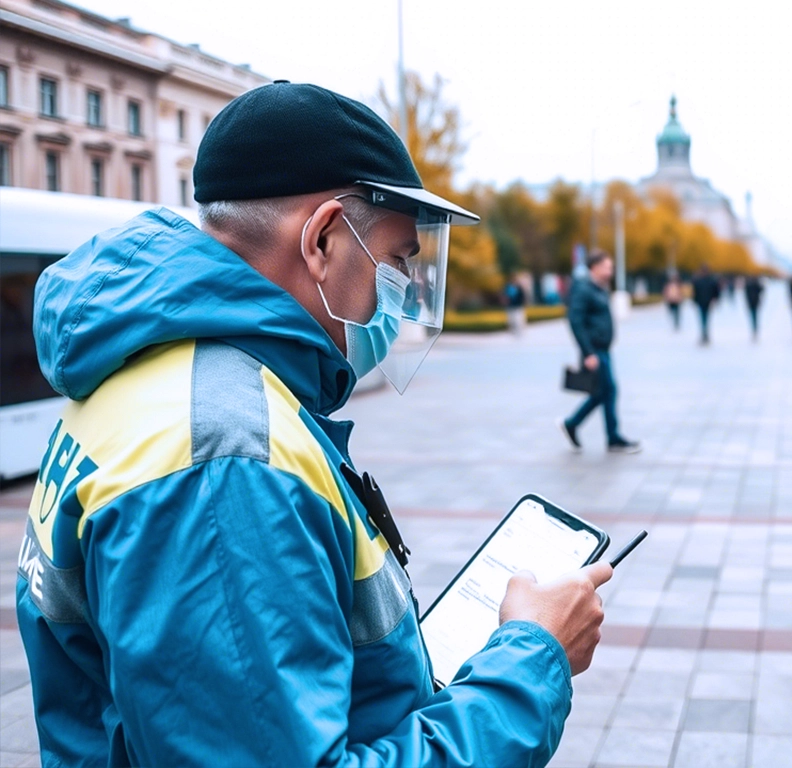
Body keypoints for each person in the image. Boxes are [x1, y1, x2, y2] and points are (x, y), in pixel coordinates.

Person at [15, 82, 615, 767]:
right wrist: (529, 664)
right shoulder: (224, 460)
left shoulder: (154, 380)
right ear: (325, 238)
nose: (403, 292)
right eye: (396, 261)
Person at [563, 251, 641, 453]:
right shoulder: (583, 289)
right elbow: (575, 322)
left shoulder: (599, 288)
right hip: (594, 351)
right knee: (608, 391)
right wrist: (588, 352)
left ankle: (574, 424)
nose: (611, 271)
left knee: (603, 392)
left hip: (603, 349)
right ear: (594, 267)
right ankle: (608, 437)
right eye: (607, 266)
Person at [692, 265, 721, 345]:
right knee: (705, 318)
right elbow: (716, 292)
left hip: (703, 302)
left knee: (703, 318)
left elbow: (695, 292)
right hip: (706, 302)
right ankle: (705, 334)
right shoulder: (711, 280)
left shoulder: (699, 280)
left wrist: (695, 301)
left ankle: (704, 334)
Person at [743, 275, 765, 340]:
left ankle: (754, 329)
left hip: (753, 302)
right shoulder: (753, 285)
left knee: (754, 316)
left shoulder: (750, 285)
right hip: (754, 302)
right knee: (754, 316)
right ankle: (755, 329)